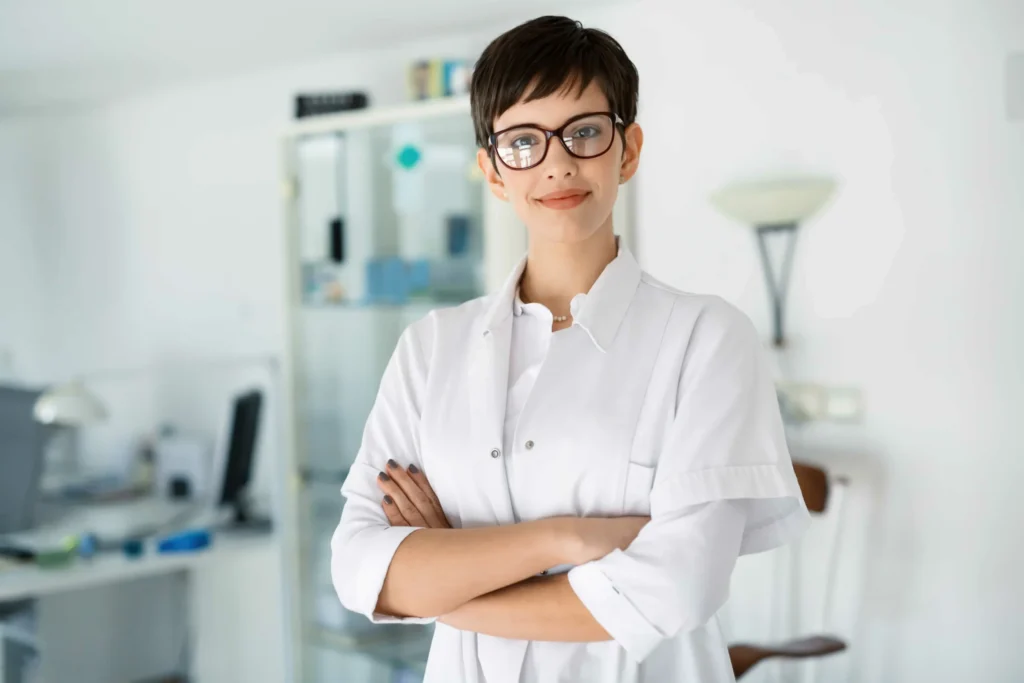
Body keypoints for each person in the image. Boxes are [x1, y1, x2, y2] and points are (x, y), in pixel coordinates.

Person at [331, 15, 809, 683]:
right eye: (522, 141)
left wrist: (438, 574)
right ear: (493, 172)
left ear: (628, 149)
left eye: (584, 132)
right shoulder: (430, 347)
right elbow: (358, 568)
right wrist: (568, 538)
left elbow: (673, 590)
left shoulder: (706, 338)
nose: (556, 162)